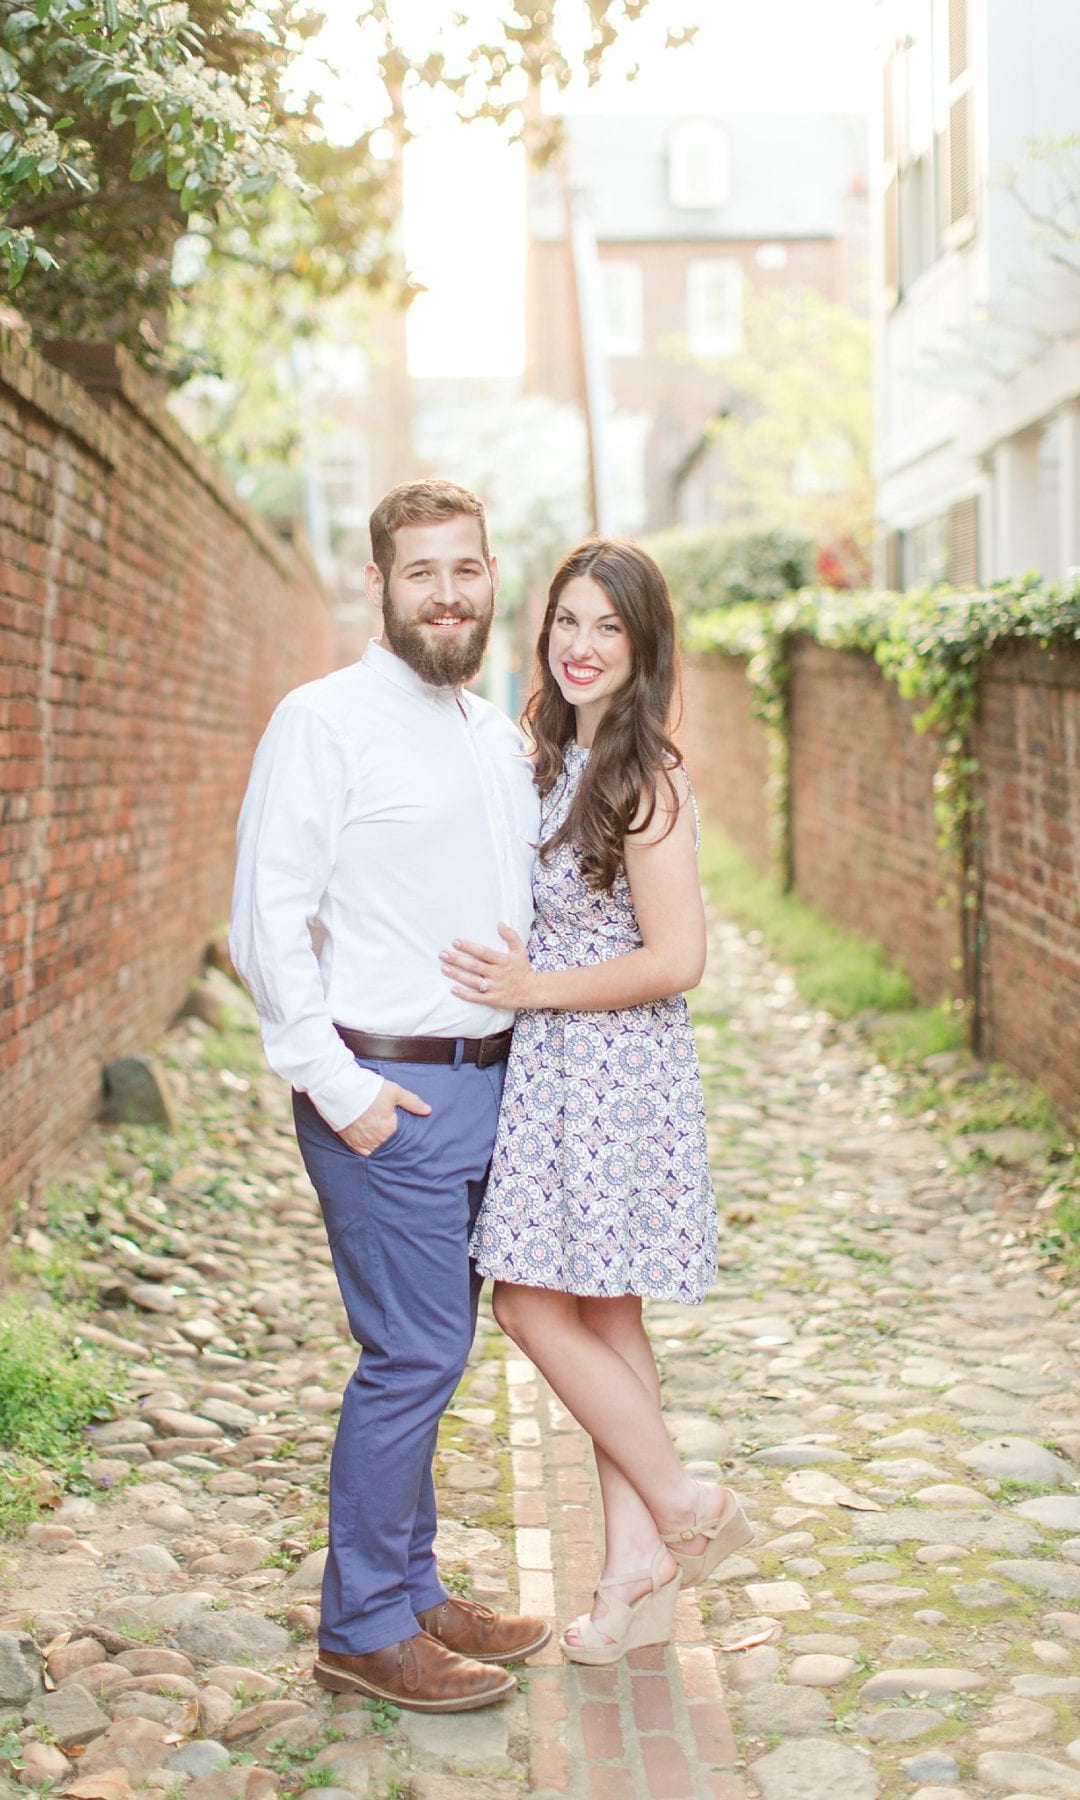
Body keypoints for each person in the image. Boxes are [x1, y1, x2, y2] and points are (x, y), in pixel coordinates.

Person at [229, 480, 550, 1713]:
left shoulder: (493, 736)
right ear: (379, 585)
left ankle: (413, 1590)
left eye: (466, 569)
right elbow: (266, 920)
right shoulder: (322, 722)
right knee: (414, 1352)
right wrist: (336, 1086)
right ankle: (362, 1624)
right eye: (423, 572)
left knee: (435, 1349)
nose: (449, 593)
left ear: (489, 577)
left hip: (489, 1085)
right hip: (388, 1092)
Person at [440, 537, 752, 1666]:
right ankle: (634, 1581)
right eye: (568, 622)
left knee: (528, 1304)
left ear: (643, 646)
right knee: (608, 1317)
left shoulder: (645, 775)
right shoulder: (539, 759)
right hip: (555, 1069)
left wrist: (534, 989)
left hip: (617, 1070)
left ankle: (682, 1506)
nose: (582, 646)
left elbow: (678, 957)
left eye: (607, 628)